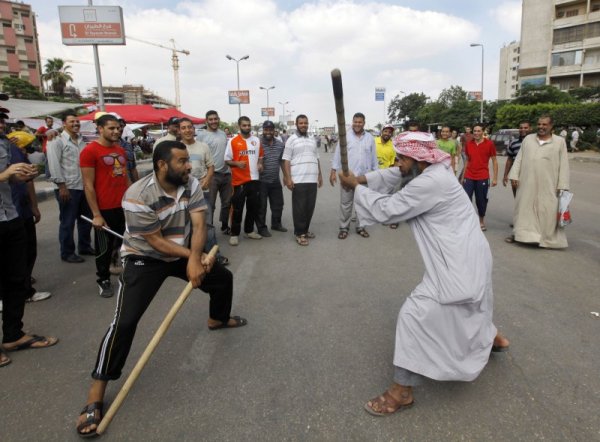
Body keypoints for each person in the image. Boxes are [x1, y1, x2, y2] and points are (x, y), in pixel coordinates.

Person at [75, 140, 246, 437]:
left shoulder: (190, 184)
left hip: (180, 252)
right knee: (125, 321)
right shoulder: (137, 195)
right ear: (162, 165)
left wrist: (197, 257)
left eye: (188, 161)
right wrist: (192, 259)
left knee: (222, 279)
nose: (189, 165)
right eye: (182, 161)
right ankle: (96, 391)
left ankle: (217, 318)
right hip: (145, 257)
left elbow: (199, 224)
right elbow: (154, 242)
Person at [337, 131, 509, 416]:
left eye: (402, 158)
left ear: (418, 158)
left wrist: (355, 188)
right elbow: (397, 174)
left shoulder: (430, 182)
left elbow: (388, 210)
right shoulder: (435, 168)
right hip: (473, 252)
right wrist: (362, 179)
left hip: (457, 263)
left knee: (413, 315)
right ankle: (489, 337)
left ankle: (402, 391)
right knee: (474, 303)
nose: (399, 163)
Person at [0, 115, 58, 368]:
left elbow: (7, 177)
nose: (2, 123)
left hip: (9, 216)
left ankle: (13, 335)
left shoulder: (4, 142)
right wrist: (4, 175)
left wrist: (19, 175)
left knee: (17, 278)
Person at [80, 114, 131, 298]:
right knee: (104, 248)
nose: (116, 131)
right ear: (100, 129)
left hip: (123, 207)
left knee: (125, 243)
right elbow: (88, 185)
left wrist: (132, 202)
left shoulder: (120, 150)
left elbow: (125, 178)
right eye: (111, 128)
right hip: (104, 209)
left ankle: (127, 275)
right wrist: (96, 214)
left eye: (118, 127)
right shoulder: (90, 151)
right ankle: (103, 280)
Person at [507, 115, 570, 248]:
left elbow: (564, 165)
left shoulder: (559, 142)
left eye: (544, 124)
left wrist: (562, 185)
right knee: (524, 208)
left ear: (551, 126)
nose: (541, 127)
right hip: (527, 182)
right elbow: (519, 158)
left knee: (547, 210)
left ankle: (546, 239)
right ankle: (521, 235)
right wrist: (514, 175)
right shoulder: (529, 139)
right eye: (539, 124)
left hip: (549, 183)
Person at [46, 112, 94, 263]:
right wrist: (61, 186)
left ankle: (85, 246)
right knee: (67, 221)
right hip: (67, 187)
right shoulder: (56, 140)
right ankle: (67, 252)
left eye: (77, 122)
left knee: (86, 219)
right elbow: (53, 164)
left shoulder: (82, 140)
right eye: (72, 121)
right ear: (64, 124)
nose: (75, 124)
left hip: (83, 186)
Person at [8, 137, 51, 304]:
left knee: (27, 251)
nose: (1, 124)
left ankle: (25, 291)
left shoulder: (14, 149)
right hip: (4, 214)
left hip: (21, 209)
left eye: (3, 120)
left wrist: (34, 205)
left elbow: (28, 179)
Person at [180, 117, 229, 266]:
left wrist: (207, 179)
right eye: (184, 128)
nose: (187, 130)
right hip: (181, 193)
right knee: (183, 224)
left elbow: (211, 166)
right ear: (179, 130)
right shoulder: (176, 148)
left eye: (190, 127)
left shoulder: (203, 146)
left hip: (202, 191)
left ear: (194, 129)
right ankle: (187, 256)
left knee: (206, 224)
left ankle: (215, 254)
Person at [330, 112, 378, 239]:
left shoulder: (369, 138)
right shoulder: (345, 137)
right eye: (355, 122)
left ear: (364, 123)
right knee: (346, 203)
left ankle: (360, 227)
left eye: (360, 122)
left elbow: (374, 158)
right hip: (347, 176)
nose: (357, 124)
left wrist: (376, 174)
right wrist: (333, 171)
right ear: (352, 122)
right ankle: (344, 228)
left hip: (364, 177)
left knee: (362, 204)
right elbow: (337, 155)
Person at [282, 114, 323, 246]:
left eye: (305, 123)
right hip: (298, 179)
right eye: (301, 123)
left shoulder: (312, 139)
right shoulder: (291, 140)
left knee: (309, 207)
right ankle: (299, 233)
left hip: (312, 179)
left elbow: (316, 158)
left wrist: (320, 175)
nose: (304, 125)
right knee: (299, 208)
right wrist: (288, 178)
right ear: (296, 124)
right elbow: (286, 160)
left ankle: (305, 229)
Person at [224, 116, 264, 246]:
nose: (247, 127)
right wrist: (236, 163)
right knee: (237, 209)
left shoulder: (257, 140)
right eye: (244, 125)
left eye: (248, 125)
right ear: (239, 126)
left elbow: (261, 156)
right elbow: (227, 160)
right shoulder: (233, 141)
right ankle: (234, 234)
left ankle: (249, 230)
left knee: (252, 207)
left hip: (255, 179)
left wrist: (260, 164)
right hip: (239, 181)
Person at [198, 111, 233, 235]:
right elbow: (199, 155)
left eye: (215, 119)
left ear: (219, 119)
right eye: (211, 119)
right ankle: (209, 231)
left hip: (226, 174)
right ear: (206, 121)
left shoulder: (223, 134)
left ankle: (224, 226)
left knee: (227, 203)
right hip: (211, 175)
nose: (213, 121)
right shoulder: (201, 136)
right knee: (210, 205)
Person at [461, 124, 498, 231]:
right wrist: (463, 177)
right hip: (469, 175)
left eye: (478, 131)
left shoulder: (489, 144)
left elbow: (495, 161)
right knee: (466, 199)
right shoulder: (469, 144)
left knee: (481, 200)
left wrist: (495, 178)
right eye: (475, 131)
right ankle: (467, 221)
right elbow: (467, 160)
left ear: (483, 132)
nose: (476, 133)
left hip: (482, 176)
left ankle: (481, 221)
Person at [257, 120, 287, 237]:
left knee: (278, 204)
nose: (268, 132)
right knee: (262, 206)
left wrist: (285, 176)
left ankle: (276, 224)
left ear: (274, 130)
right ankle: (261, 228)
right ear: (263, 130)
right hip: (261, 181)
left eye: (270, 129)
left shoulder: (280, 144)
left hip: (275, 180)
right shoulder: (257, 143)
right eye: (266, 129)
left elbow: (282, 161)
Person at [503, 121, 531, 198]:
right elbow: (509, 160)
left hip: (531, 174)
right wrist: (505, 175)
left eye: (525, 128)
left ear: (530, 129)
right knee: (517, 197)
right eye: (521, 128)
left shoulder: (535, 142)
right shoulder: (513, 143)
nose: (523, 129)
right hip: (516, 174)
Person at [119, 119, 139, 184]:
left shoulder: (128, 145)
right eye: (113, 127)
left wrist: (137, 187)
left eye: (122, 126)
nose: (119, 129)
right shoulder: (102, 148)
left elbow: (133, 169)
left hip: (129, 188)